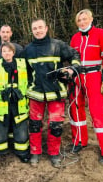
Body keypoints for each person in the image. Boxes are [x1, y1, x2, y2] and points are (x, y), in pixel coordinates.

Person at [24, 19, 80, 168]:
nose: (38, 30)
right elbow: (24, 72)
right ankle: (35, 152)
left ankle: (54, 153)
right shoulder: (27, 49)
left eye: (40, 27)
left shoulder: (58, 45)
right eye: (35, 28)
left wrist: (72, 69)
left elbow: (75, 55)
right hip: (36, 94)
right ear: (32, 31)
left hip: (56, 93)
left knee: (56, 126)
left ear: (46, 28)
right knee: (35, 125)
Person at [69, 9, 103, 165]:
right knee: (75, 109)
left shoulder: (102, 34)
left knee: (97, 112)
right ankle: (79, 141)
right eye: (79, 20)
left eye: (84, 19)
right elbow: (71, 59)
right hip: (77, 77)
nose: (82, 22)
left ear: (91, 18)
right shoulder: (75, 38)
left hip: (94, 77)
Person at [0, 42, 30, 163]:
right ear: (1, 53)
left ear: (13, 52)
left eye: (9, 51)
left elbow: (30, 78)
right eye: (4, 51)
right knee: (0, 131)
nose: (6, 53)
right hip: (2, 102)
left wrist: (22, 92)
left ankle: (22, 152)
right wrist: (0, 94)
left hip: (18, 101)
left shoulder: (22, 64)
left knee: (21, 129)